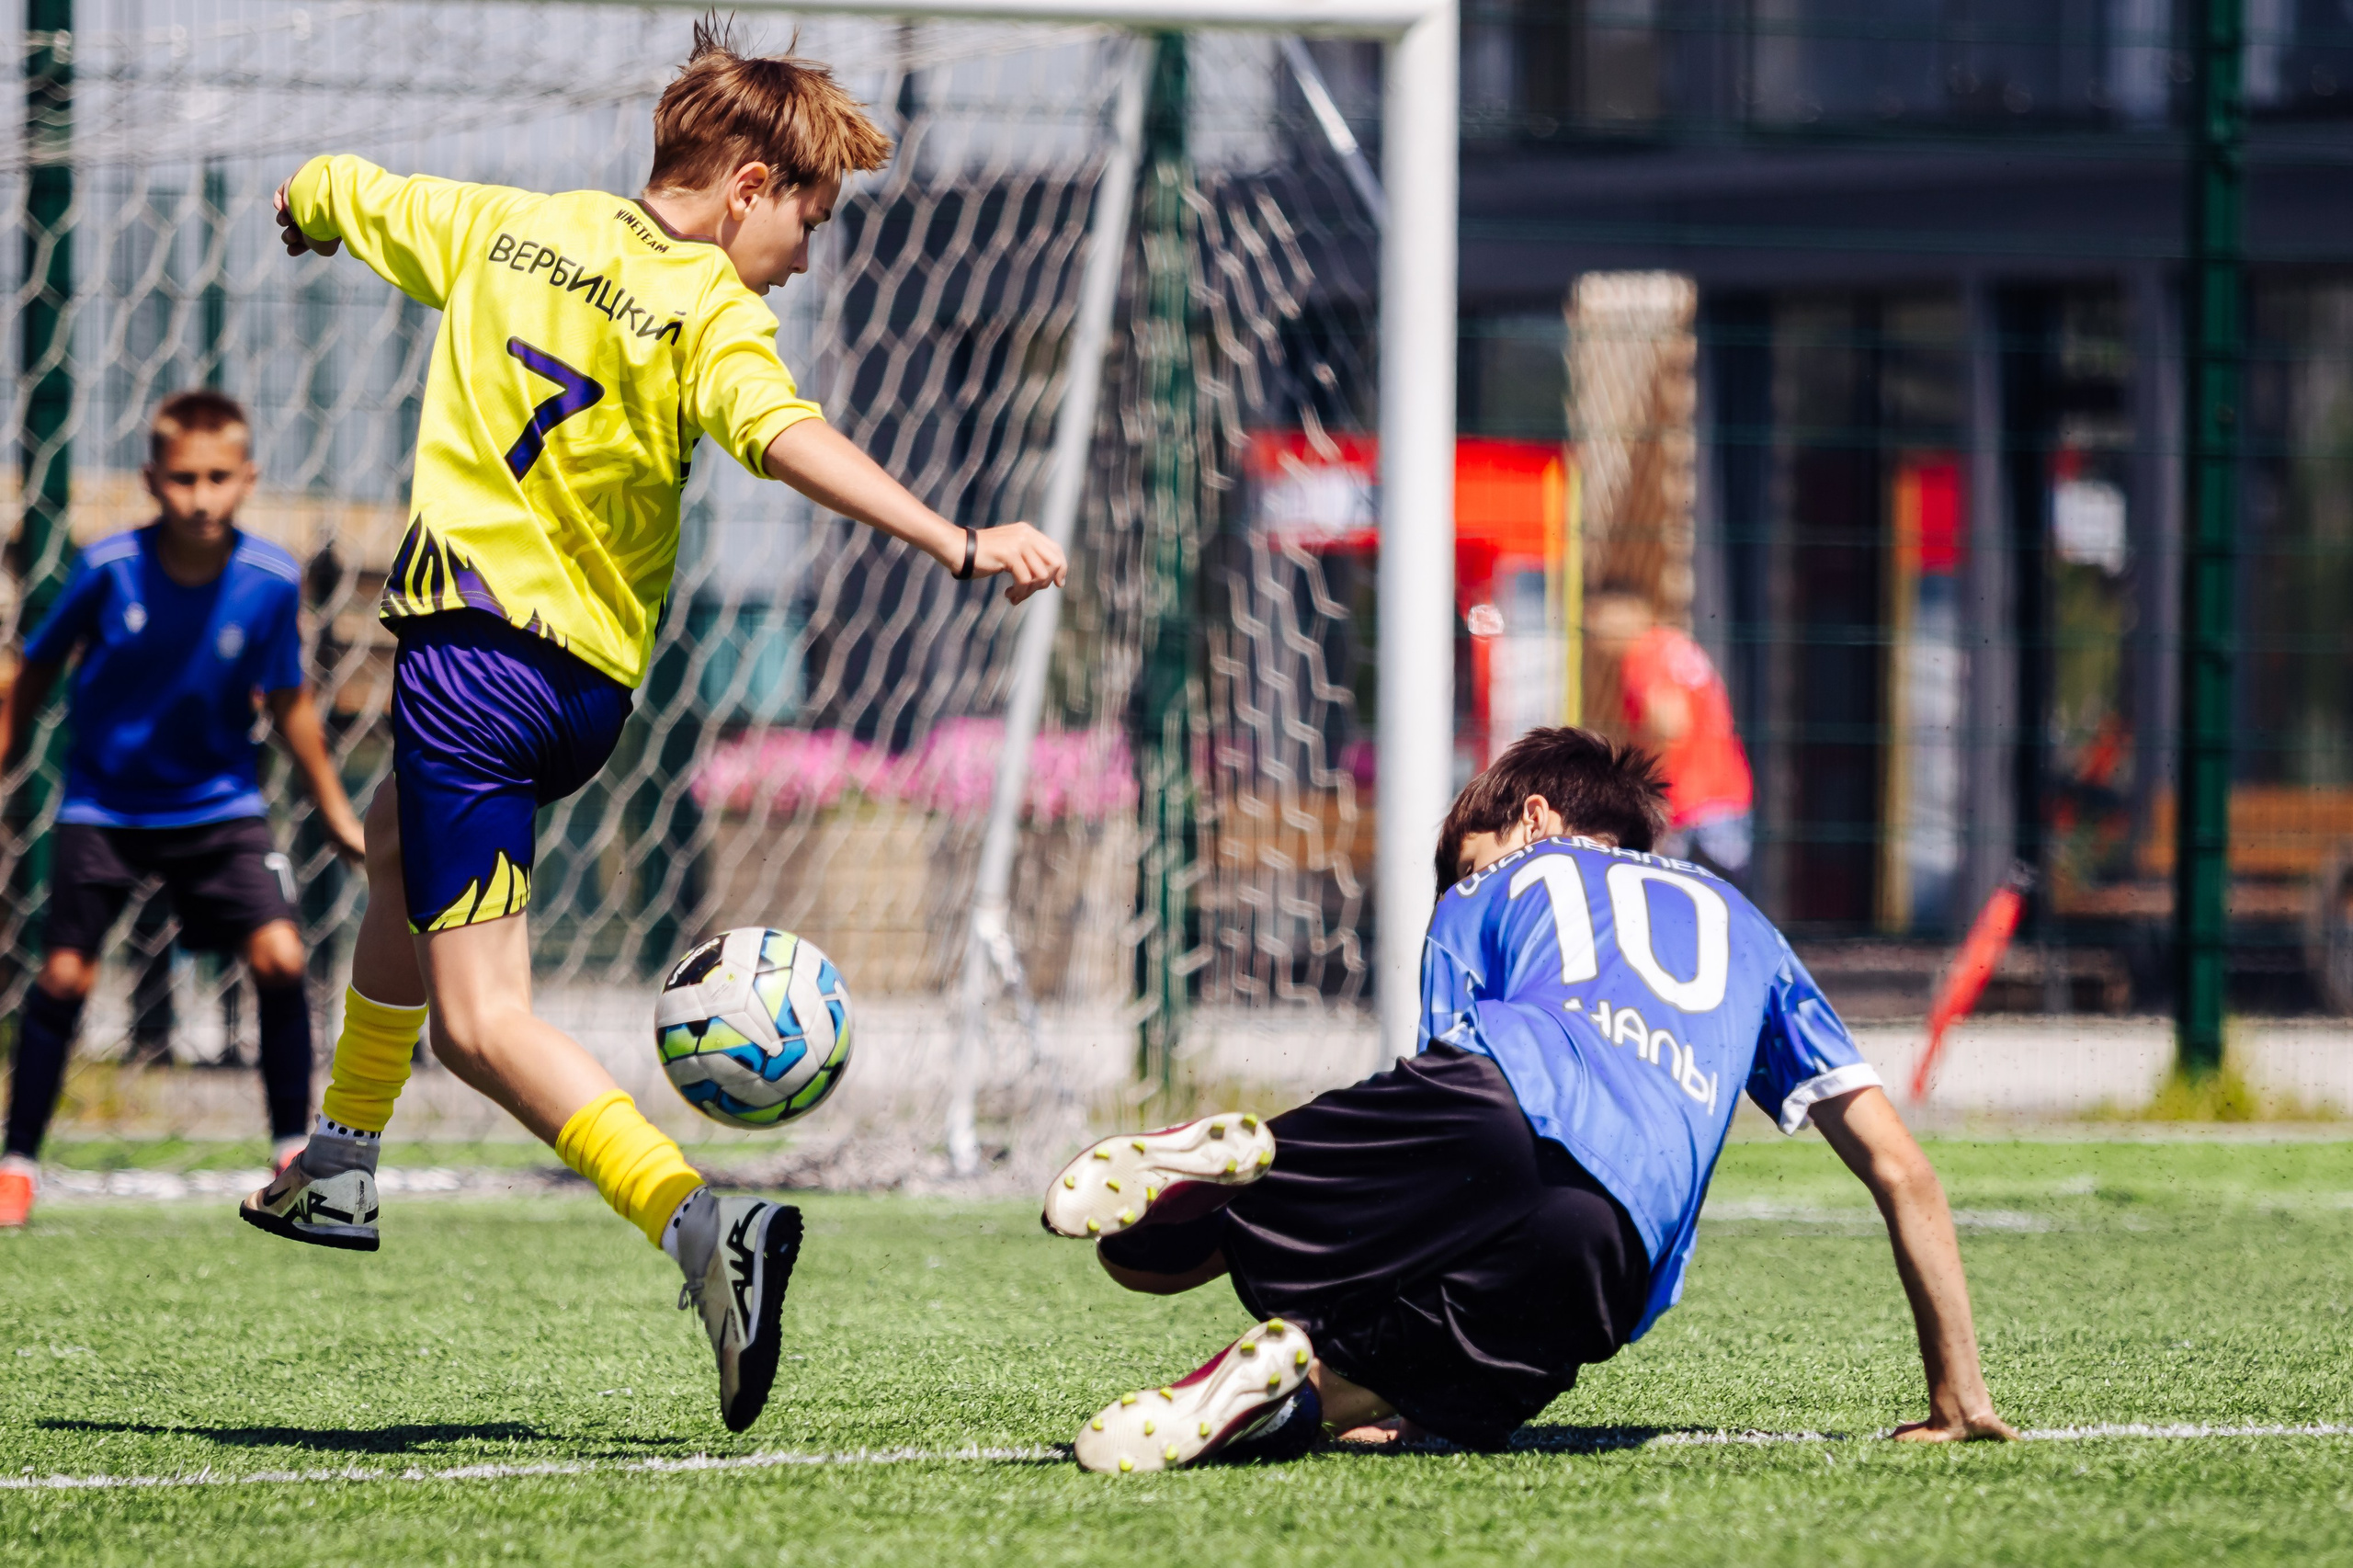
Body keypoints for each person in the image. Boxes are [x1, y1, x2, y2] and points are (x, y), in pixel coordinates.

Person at [238, 24, 1067, 1434]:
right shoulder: (707, 312)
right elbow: (786, 432)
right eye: (808, 219)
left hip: (471, 666)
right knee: (393, 844)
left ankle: (701, 1227)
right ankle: (341, 1154)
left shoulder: (499, 226)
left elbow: (338, 185)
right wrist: (952, 532)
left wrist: (310, 204)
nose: (806, 258)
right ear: (747, 185)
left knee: (481, 1024)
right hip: (580, 697)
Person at [1040, 726, 2014, 1472]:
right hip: (1617, 1242)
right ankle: (1301, 1376)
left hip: (1501, 1094)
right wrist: (1957, 1393)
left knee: (1149, 1259)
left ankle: (1250, 1166)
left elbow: (1450, 1097)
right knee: (1448, 1398)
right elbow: (1902, 1168)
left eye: (1467, 855)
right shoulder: (1749, 926)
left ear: (1533, 817)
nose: (1463, 876)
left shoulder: (1501, 881)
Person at [0, 390, 368, 1228]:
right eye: (182, 479)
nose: (200, 496)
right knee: (62, 976)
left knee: (280, 956)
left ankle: (288, 1155)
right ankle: (17, 1164)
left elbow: (291, 704)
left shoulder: (269, 582)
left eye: (216, 478)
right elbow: (37, 668)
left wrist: (338, 814)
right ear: (152, 481)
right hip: (105, 807)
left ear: (247, 479)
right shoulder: (107, 570)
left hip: (219, 806)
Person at [1586, 585, 1753, 884]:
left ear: (1631, 611)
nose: (1594, 630)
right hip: (1725, 794)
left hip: (1690, 806)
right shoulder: (1673, 645)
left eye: (1599, 615)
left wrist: (1650, 792)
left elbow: (1669, 725)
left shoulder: (1645, 654)